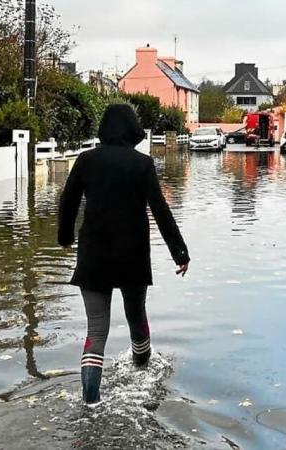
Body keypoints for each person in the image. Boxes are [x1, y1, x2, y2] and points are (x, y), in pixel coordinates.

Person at [57, 104, 190, 404]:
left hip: (94, 255)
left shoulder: (86, 160)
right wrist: (179, 252)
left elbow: (68, 201)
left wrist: (64, 238)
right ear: (132, 130)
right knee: (135, 316)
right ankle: (142, 376)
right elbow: (160, 209)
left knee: (96, 330)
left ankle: (91, 402)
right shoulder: (142, 164)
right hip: (132, 255)